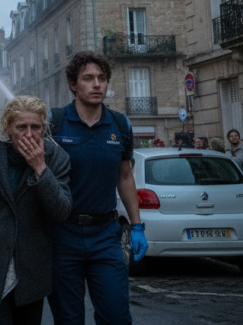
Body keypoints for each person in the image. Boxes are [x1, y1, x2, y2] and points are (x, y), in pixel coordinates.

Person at [47, 51, 147, 325]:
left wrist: (137, 226)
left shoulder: (119, 124)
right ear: (73, 85)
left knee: (116, 316)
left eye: (102, 78)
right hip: (62, 235)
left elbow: (125, 176)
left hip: (105, 235)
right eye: (88, 78)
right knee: (69, 319)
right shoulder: (54, 123)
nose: (97, 84)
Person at [0, 96, 71, 325]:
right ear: (8, 128)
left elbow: (62, 210)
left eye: (35, 127)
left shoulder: (56, 157)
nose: (29, 134)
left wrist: (40, 168)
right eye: (21, 127)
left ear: (43, 128)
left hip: (32, 270)